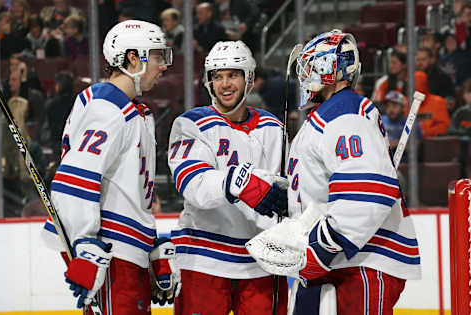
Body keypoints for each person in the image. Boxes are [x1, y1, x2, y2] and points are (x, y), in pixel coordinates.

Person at [246, 30, 421, 314]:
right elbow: (325, 186)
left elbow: (370, 192)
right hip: (339, 260)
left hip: (361, 259)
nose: (305, 73)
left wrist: (323, 246)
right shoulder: (330, 114)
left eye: (311, 64)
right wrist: (284, 195)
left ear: (331, 68)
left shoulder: (346, 112)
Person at [42, 20, 180, 313]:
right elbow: (75, 179)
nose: (164, 66)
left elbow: (125, 192)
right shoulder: (108, 107)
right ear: (133, 58)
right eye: (157, 56)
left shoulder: (133, 111)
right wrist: (85, 244)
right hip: (110, 255)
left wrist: (149, 242)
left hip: (126, 255)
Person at [168, 40, 289, 315]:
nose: (224, 84)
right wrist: (247, 183)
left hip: (261, 260)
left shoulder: (274, 129)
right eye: (217, 76)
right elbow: (194, 184)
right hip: (203, 259)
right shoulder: (191, 124)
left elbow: (290, 190)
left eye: (233, 75)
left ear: (249, 79)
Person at [382, 90, 422, 161]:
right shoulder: (379, 121)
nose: (390, 109)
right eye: (388, 106)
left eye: (394, 106)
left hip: (404, 163)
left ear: (403, 107)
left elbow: (416, 151)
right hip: (382, 162)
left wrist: (397, 144)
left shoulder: (411, 123)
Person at [414, 71, 450, 138]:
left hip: (431, 142)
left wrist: (425, 132)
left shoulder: (438, 102)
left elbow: (444, 126)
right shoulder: (406, 102)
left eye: (420, 84)